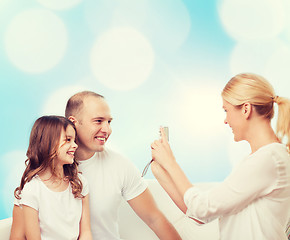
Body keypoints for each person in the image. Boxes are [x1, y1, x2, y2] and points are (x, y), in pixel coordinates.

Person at [150, 73, 290, 240]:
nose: (225, 120)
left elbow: (202, 207)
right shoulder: (261, 160)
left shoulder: (269, 159)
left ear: (246, 109)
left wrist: (170, 163)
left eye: (226, 110)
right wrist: (160, 170)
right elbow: (198, 215)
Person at [65, 91, 181, 240]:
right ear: (73, 122)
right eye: (98, 121)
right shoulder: (48, 167)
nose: (107, 130)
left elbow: (155, 219)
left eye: (109, 122)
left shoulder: (120, 166)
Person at [10, 116, 92, 240]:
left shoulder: (79, 182)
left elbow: (86, 233)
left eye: (74, 140)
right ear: (48, 143)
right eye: (68, 140)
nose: (75, 145)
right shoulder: (32, 190)